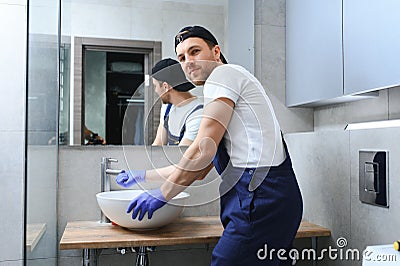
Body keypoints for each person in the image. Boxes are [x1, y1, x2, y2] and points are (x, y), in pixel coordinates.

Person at [116, 26, 303, 265]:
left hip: (259, 198)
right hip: (270, 197)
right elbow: (201, 167)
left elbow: (202, 150)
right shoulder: (228, 85)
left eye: (195, 51)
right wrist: (143, 175)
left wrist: (163, 194)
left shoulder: (223, 76)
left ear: (216, 52)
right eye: (182, 58)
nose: (188, 62)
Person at [150, 58, 203, 146]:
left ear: (165, 86)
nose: (156, 90)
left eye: (155, 86)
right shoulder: (167, 107)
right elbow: (158, 145)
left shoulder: (197, 114)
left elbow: (181, 156)